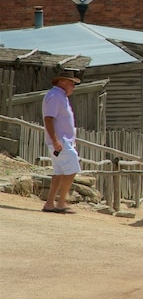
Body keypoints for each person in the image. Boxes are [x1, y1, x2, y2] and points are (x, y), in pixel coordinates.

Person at [42, 70, 81, 214]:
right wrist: (55, 140)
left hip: (62, 141)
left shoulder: (60, 96)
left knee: (59, 173)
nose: (73, 86)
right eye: (71, 83)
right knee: (72, 170)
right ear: (63, 82)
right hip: (60, 141)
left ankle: (50, 203)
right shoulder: (55, 96)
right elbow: (48, 118)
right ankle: (61, 202)